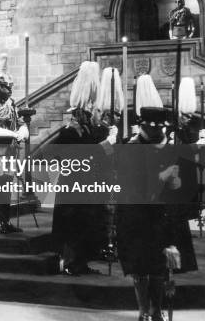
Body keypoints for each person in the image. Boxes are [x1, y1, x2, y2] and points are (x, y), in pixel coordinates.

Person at [117, 81, 198, 321]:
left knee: (161, 268)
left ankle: (157, 310)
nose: (158, 134)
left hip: (164, 218)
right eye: (154, 130)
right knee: (141, 268)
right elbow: (131, 186)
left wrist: (177, 183)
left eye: (161, 130)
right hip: (138, 217)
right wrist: (159, 178)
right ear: (143, 127)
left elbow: (183, 190)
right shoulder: (130, 149)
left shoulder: (170, 148)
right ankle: (144, 309)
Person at [51, 61, 118, 275]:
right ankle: (71, 262)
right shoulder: (69, 132)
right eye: (86, 111)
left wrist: (110, 143)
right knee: (74, 225)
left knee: (87, 224)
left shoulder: (90, 130)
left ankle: (81, 261)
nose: (89, 114)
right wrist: (107, 144)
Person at [0, 54, 29, 234]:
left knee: (7, 189)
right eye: (4, 86)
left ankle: (6, 221)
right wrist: (8, 133)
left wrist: (22, 131)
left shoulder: (12, 104)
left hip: (10, 152)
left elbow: (19, 122)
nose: (7, 90)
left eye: (9, 86)